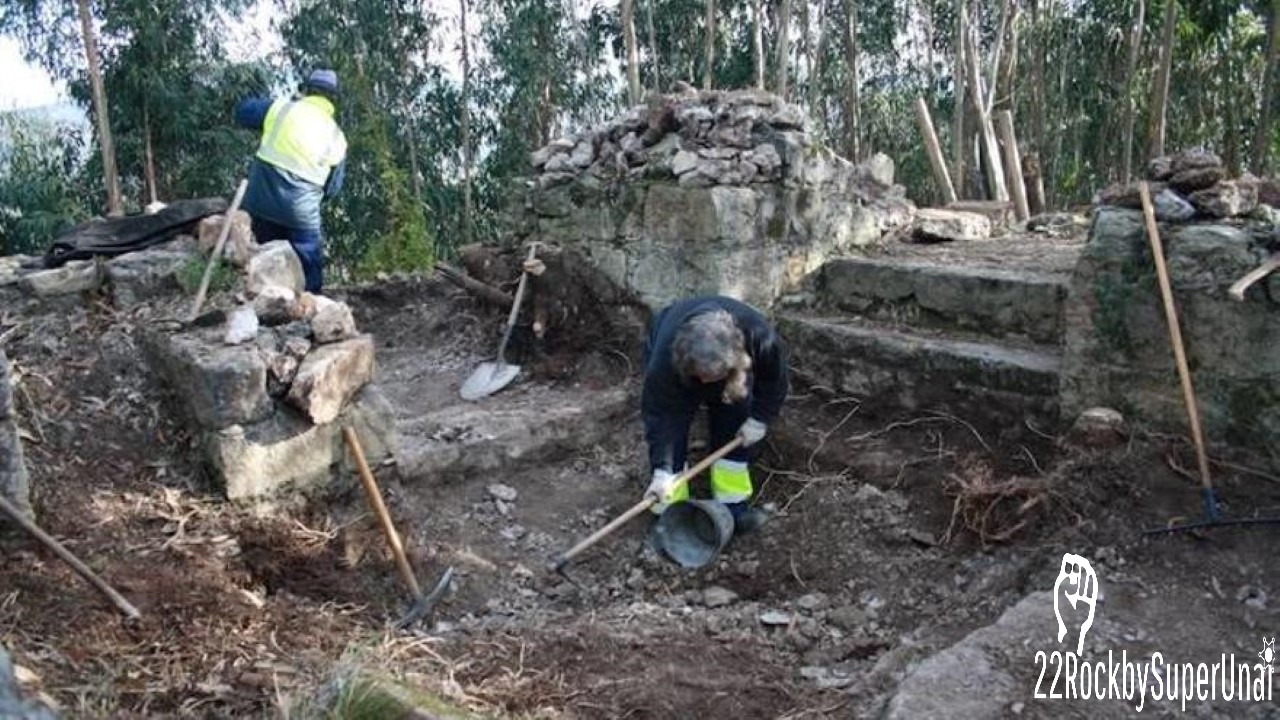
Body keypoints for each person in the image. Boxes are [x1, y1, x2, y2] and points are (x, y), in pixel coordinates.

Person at [642, 295, 790, 534]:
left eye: (711, 378)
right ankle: (670, 516)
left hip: (733, 376)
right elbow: (662, 417)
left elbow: (775, 380)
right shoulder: (664, 362)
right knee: (672, 441)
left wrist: (760, 418)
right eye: (701, 377)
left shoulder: (759, 337)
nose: (704, 383)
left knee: (733, 423)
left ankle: (733, 509)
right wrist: (663, 469)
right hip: (680, 371)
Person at [233, 69, 348, 293]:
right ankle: (310, 303)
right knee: (309, 269)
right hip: (301, 212)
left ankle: (259, 301)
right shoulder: (337, 137)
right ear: (333, 100)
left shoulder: (282, 109)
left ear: (306, 90)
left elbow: (243, 112)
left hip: (260, 203)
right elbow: (333, 188)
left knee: (261, 259)